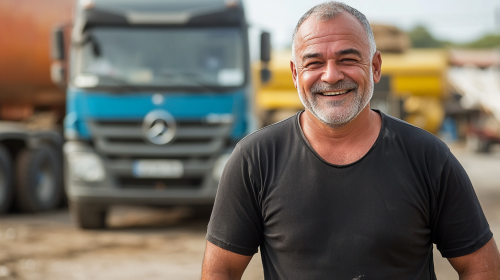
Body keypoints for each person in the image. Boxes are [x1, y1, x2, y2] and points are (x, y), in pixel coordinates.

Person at [201, 2, 500, 279]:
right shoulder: (255, 159)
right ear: (295, 74)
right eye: (314, 63)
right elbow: (221, 271)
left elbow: (481, 267)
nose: (331, 76)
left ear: (376, 66)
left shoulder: (428, 157)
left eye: (347, 58)